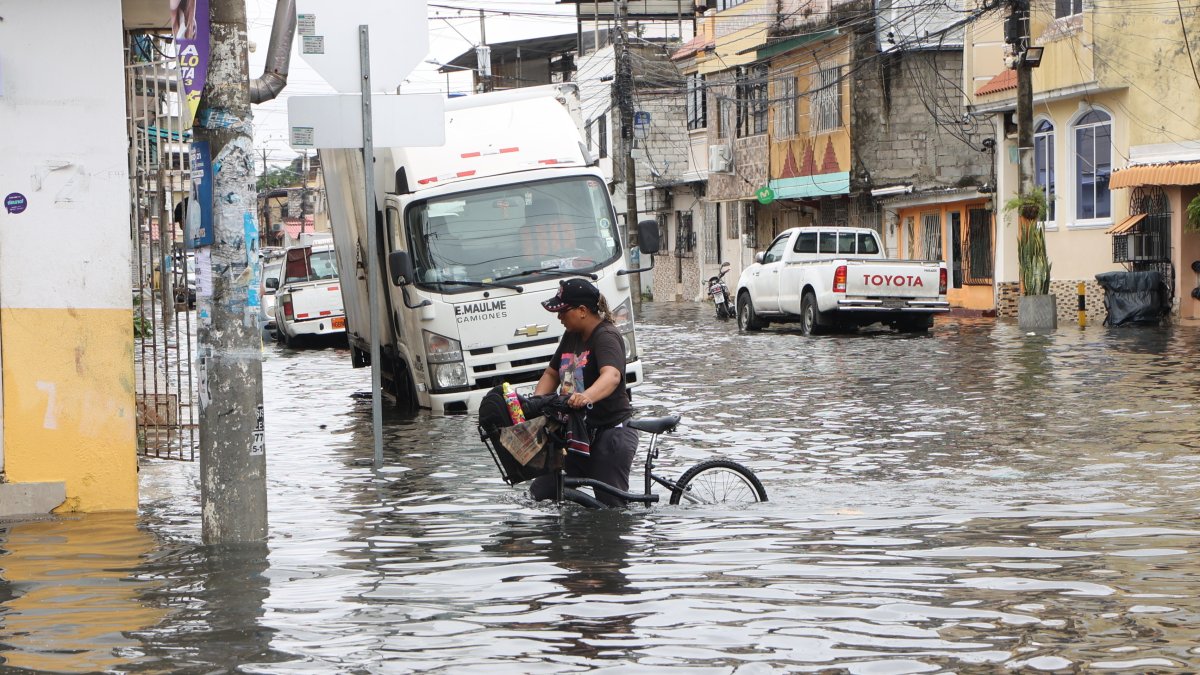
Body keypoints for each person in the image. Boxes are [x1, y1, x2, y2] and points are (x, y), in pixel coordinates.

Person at [530, 279, 638, 507]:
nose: (559, 317)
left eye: (562, 311)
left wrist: (586, 396)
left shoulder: (606, 336)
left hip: (610, 434)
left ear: (582, 311)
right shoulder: (572, 335)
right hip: (578, 432)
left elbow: (612, 376)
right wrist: (535, 405)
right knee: (542, 492)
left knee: (611, 509)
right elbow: (551, 374)